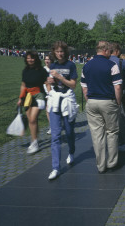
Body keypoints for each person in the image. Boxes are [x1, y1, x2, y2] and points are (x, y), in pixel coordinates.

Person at [81, 41, 122, 173]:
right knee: (112, 132)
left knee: (97, 135)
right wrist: (118, 102)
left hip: (92, 101)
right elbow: (117, 86)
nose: (110, 53)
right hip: (108, 101)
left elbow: (84, 87)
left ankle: (100, 165)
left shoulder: (86, 65)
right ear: (104, 50)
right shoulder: (112, 65)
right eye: (109, 50)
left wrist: (89, 100)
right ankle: (112, 162)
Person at [47, 41, 79, 180]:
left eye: (62, 51)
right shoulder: (52, 65)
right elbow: (48, 83)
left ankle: (71, 151)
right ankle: (55, 167)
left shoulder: (70, 65)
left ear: (65, 52)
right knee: (55, 136)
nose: (60, 53)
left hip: (67, 100)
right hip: (55, 101)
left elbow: (73, 85)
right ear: (54, 52)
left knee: (69, 131)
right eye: (57, 51)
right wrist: (50, 83)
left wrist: (60, 78)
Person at [17, 51, 47, 154]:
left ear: (36, 59)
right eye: (28, 58)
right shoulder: (25, 71)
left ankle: (34, 143)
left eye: (32, 58)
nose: (30, 60)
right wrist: (20, 98)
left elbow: (47, 83)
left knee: (33, 119)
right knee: (31, 120)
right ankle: (35, 140)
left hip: (39, 95)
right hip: (28, 97)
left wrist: (50, 94)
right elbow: (23, 85)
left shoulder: (41, 70)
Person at [109, 44, 125, 152]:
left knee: (110, 119)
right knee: (123, 118)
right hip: (122, 93)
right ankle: (123, 140)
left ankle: (113, 142)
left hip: (107, 95)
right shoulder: (122, 62)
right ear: (117, 51)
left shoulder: (106, 61)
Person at [44, 54, 54, 135]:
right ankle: (52, 126)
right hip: (45, 92)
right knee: (47, 110)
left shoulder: (54, 69)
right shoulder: (42, 69)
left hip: (54, 92)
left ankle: (54, 125)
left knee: (53, 109)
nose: (47, 61)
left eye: (48, 59)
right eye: (45, 59)